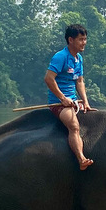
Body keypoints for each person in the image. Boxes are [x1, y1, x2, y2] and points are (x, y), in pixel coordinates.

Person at [45, 23, 96, 170]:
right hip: (59, 103)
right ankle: (81, 159)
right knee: (74, 126)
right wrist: (62, 98)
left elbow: (79, 81)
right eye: (80, 39)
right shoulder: (60, 57)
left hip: (73, 101)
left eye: (85, 39)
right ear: (70, 40)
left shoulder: (78, 58)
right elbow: (49, 79)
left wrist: (85, 102)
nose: (84, 42)